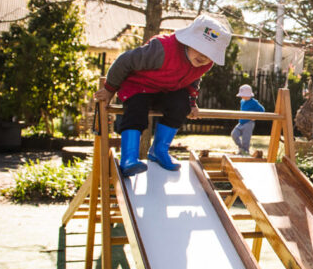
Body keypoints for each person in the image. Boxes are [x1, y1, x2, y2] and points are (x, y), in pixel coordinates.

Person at [93, 14, 231, 175]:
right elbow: (124, 61)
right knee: (137, 110)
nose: (203, 56)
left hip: (166, 90)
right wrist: (110, 89)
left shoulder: (204, 64)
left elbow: (193, 81)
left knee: (181, 105)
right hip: (139, 86)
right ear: (188, 41)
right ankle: (129, 158)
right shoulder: (162, 49)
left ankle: (159, 150)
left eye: (209, 54)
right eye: (199, 48)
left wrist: (192, 103)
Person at [232, 84, 265, 156]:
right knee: (234, 134)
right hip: (241, 123)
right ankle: (241, 149)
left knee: (245, 139)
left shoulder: (254, 102)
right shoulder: (242, 101)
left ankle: (245, 152)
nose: (241, 96)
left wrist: (255, 117)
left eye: (242, 95)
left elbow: (262, 110)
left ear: (247, 95)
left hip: (249, 123)